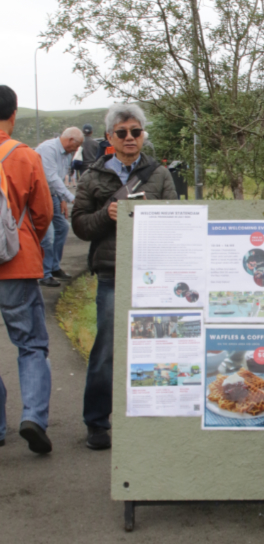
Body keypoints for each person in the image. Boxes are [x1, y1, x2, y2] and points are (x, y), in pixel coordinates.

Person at [72, 104, 177, 450]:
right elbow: (80, 226)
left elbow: (178, 220)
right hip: (113, 275)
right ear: (109, 137)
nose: (130, 137)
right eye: (122, 132)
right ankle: (96, 422)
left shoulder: (159, 174)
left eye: (136, 131)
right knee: (107, 350)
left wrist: (156, 214)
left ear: (143, 135)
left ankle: (153, 420)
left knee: (159, 347)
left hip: (156, 277)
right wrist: (108, 213)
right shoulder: (92, 176)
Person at [0, 85, 54, 454]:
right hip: (16, 266)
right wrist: (25, 238)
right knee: (31, 345)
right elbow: (44, 213)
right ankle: (33, 416)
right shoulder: (24, 156)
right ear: (14, 113)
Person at [36, 127, 84, 286]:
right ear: (70, 140)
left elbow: (61, 178)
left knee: (62, 227)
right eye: (77, 146)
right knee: (47, 235)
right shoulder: (48, 149)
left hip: (53, 196)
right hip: (39, 196)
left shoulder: (66, 153)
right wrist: (71, 198)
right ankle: (44, 273)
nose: (77, 150)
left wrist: (62, 199)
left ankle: (54, 266)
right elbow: (51, 178)